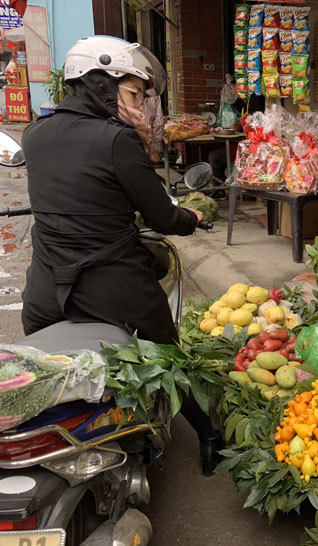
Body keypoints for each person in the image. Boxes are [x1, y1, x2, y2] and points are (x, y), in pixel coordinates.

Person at [21, 36, 222, 475]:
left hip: (44, 291)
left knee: (40, 370)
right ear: (99, 84)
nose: (140, 104)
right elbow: (161, 216)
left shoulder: (35, 134)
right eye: (134, 93)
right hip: (110, 285)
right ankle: (208, 434)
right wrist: (190, 218)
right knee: (167, 355)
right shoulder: (116, 140)